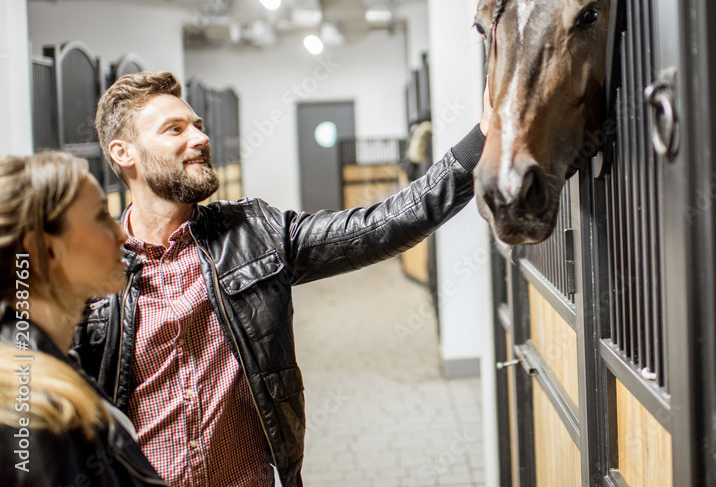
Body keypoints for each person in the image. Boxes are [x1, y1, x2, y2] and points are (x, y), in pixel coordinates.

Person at [74, 71, 490, 486]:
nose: (200, 139)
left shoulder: (253, 234)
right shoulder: (89, 273)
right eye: (175, 129)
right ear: (123, 153)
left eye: (198, 126)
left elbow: (384, 224)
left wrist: (483, 138)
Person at [0, 151, 164, 486]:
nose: (122, 235)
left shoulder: (48, 364)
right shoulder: (38, 411)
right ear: (46, 250)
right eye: (102, 216)